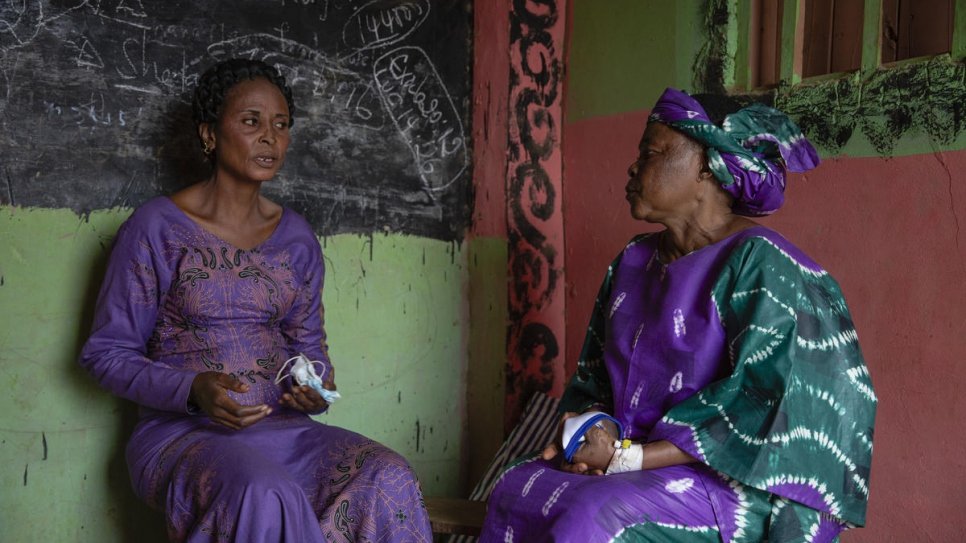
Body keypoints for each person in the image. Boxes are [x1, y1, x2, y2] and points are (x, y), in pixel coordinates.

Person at [479, 88, 877, 542]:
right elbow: (594, 381)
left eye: (650, 152)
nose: (632, 167)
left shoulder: (762, 264)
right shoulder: (633, 261)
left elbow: (769, 407)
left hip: (727, 481)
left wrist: (628, 459)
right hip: (630, 465)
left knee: (594, 515)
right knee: (517, 486)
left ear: (707, 166)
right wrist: (593, 432)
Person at [79, 58, 433, 542]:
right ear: (209, 133)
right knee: (263, 492)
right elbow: (106, 355)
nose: (270, 137)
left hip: (287, 432)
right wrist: (192, 390)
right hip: (183, 437)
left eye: (281, 125)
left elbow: (313, 355)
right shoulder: (154, 229)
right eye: (251, 122)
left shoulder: (297, 239)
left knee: (387, 473)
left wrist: (314, 393)